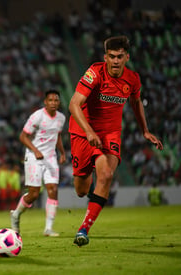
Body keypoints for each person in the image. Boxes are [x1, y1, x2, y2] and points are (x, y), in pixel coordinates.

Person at [68, 35, 163, 247]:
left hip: (110, 133)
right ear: (105, 57)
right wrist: (89, 131)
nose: (116, 61)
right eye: (112, 56)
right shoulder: (95, 72)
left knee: (107, 174)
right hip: (83, 131)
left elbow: (136, 102)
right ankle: (89, 173)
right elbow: (74, 104)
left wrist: (145, 131)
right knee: (82, 190)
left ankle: (84, 229)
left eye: (120, 56)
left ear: (127, 57)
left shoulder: (132, 79)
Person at [10, 89, 66, 237]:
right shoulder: (37, 116)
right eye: (51, 100)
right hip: (33, 157)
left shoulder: (61, 118)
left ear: (59, 103)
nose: (53, 103)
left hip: (51, 158)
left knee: (53, 190)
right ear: (45, 102)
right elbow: (23, 137)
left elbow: (57, 136)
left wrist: (62, 152)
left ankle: (48, 228)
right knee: (34, 194)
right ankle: (16, 214)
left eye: (56, 100)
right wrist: (35, 150)